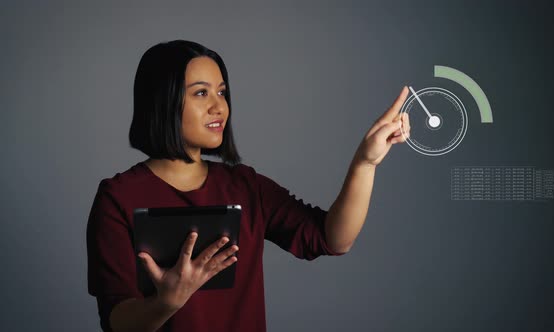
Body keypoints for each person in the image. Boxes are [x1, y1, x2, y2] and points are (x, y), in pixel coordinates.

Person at [86, 40, 411, 332]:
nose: (219, 107)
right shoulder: (118, 197)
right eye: (201, 93)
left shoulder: (245, 186)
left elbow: (331, 238)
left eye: (222, 92)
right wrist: (166, 303)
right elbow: (118, 320)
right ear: (162, 100)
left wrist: (365, 163)